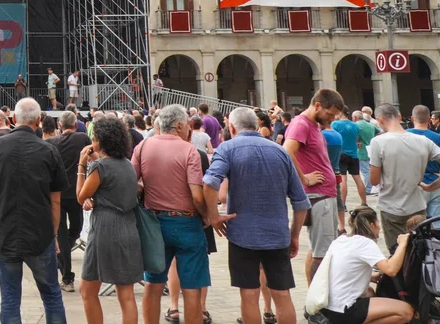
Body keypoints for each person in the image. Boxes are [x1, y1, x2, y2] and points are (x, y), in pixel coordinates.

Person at [203, 108, 309, 324]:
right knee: (282, 293)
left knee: (249, 294)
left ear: (232, 128)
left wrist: (213, 216)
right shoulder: (280, 152)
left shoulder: (227, 149)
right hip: (277, 234)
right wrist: (294, 235)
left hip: (242, 234)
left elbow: (210, 182)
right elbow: (300, 202)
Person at [0, 97, 67, 324]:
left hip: (5, 232)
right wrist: (54, 234)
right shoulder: (49, 151)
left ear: (13, 118)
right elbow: (56, 201)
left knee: (9, 298)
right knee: (51, 295)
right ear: (39, 120)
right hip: (40, 234)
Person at [131, 104, 208, 324]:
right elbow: (197, 195)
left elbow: (130, 182)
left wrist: (145, 190)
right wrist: (205, 216)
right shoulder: (189, 150)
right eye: (188, 125)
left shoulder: (143, 147)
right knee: (191, 287)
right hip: (186, 222)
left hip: (154, 224)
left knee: (153, 283)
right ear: (180, 125)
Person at [76, 117, 142, 324]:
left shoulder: (99, 166)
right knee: (126, 292)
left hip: (104, 229)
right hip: (128, 228)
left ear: (101, 140)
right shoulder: (127, 165)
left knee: (87, 289)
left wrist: (81, 165)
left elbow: (81, 195)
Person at [369, 102, 440, 250]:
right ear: (399, 117)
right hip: (417, 206)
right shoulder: (423, 141)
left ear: (379, 120)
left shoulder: (378, 142)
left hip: (391, 207)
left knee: (397, 251)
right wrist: (434, 186)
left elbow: (374, 180)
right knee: (420, 250)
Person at [310, 206, 413, 324]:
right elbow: (391, 269)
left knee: (369, 292)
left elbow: (342, 269)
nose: (379, 228)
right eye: (378, 223)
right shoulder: (365, 243)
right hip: (343, 309)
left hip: (327, 307)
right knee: (406, 311)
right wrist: (402, 243)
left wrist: (370, 276)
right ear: (372, 225)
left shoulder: (340, 240)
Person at [283, 88, 343, 283]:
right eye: (330, 114)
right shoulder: (301, 124)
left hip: (324, 194)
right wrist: (305, 178)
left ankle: (314, 295)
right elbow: (287, 151)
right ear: (317, 105)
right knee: (322, 254)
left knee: (319, 250)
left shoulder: (313, 124)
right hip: (318, 196)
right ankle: (318, 298)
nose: (332, 119)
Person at [50, 110, 91, 293]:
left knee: (65, 235)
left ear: (59, 125)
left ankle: (62, 259)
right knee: (76, 228)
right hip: (76, 192)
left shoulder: (52, 142)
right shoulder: (82, 138)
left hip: (58, 193)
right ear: (75, 125)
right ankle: (67, 276)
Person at [406, 103, 440, 227]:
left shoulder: (403, 136)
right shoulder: (438, 138)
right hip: (436, 183)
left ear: (412, 118)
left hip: (413, 185)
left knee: (414, 225)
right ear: (429, 119)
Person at [332, 110, 367, 210]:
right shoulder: (355, 125)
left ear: (340, 112)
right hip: (354, 154)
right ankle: (364, 202)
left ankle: (343, 204)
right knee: (358, 178)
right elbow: (357, 139)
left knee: (343, 179)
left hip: (341, 154)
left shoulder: (335, 124)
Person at [351, 111, 378, 195]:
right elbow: (380, 131)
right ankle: (373, 188)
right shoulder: (371, 125)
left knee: (365, 171)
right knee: (371, 169)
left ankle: (369, 189)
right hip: (371, 149)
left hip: (361, 150)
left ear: (355, 117)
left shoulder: (355, 125)